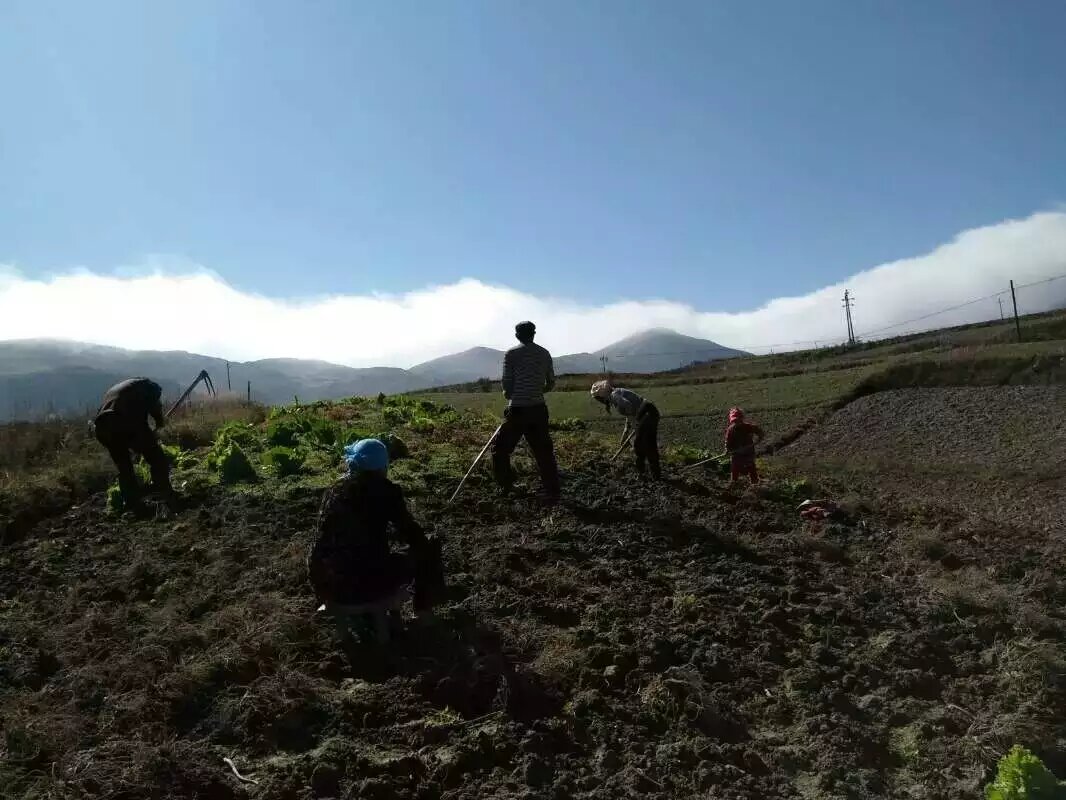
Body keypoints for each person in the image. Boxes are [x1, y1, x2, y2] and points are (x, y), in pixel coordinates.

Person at [308, 439, 444, 628]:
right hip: (369, 584)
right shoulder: (387, 491)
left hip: (331, 585)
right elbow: (411, 535)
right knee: (428, 547)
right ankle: (422, 612)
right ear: (382, 465)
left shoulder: (333, 491)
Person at [492, 321, 561, 504]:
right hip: (539, 409)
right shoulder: (545, 353)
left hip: (518, 410)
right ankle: (552, 491)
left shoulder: (511, 354)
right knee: (544, 452)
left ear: (517, 336)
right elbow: (551, 382)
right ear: (534, 334)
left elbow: (507, 384)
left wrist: (513, 395)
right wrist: (536, 392)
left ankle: (506, 486)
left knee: (500, 450)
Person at [93, 377, 173, 507]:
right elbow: (154, 409)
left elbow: (137, 419)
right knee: (156, 456)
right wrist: (159, 423)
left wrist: (139, 441)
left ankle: (131, 502)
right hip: (123, 422)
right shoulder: (150, 389)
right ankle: (163, 490)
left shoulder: (129, 388)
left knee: (124, 467)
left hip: (102, 428)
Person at [591, 380, 662, 480]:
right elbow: (628, 413)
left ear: (602, 395)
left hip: (646, 414)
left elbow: (629, 407)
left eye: (599, 398)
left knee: (640, 445)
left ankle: (645, 474)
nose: (600, 401)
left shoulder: (614, 395)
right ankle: (653, 474)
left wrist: (636, 423)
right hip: (649, 411)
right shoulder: (615, 394)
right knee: (646, 445)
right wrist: (626, 432)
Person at [724, 407, 764, 485]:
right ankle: (733, 484)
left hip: (748, 452)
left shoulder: (748, 427)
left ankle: (755, 483)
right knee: (735, 468)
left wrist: (760, 438)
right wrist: (727, 450)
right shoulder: (731, 430)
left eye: (738, 420)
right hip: (736, 453)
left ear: (742, 419)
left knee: (751, 467)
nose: (737, 422)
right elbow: (728, 442)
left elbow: (759, 431)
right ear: (732, 421)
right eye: (735, 421)